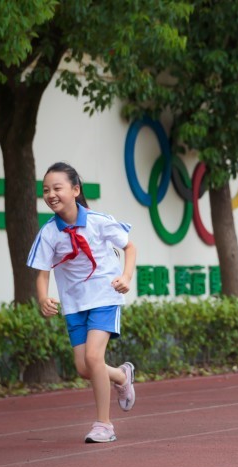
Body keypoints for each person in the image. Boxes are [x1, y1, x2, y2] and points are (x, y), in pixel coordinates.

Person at [27, 162, 138, 444]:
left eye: (57, 188)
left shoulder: (98, 221)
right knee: (83, 367)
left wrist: (125, 276)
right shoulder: (49, 233)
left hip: (104, 296)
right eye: (46, 190)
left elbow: (130, 246)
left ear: (75, 190)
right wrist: (43, 297)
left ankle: (104, 425)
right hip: (74, 304)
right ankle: (122, 377)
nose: (51, 194)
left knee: (93, 358)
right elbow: (43, 273)